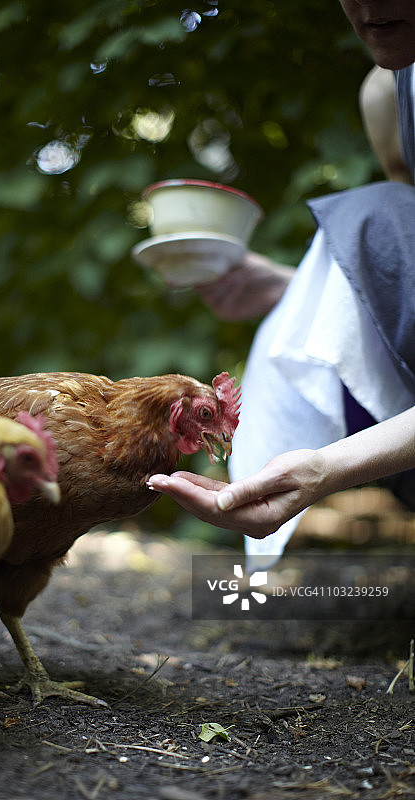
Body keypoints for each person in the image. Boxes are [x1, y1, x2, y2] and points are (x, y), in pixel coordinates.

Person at [148, 0, 415, 567]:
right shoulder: (388, 95)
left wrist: (325, 469)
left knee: (374, 215)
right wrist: (296, 291)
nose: (370, 4)